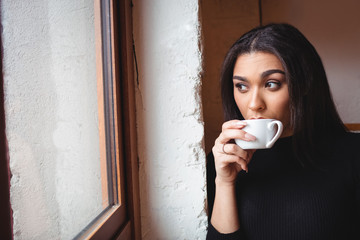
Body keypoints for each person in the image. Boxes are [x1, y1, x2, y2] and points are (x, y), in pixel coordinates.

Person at [206, 23, 360, 240]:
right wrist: (224, 183)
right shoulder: (224, 160)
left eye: (271, 84)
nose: (254, 104)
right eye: (241, 86)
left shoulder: (352, 155)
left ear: (305, 83)